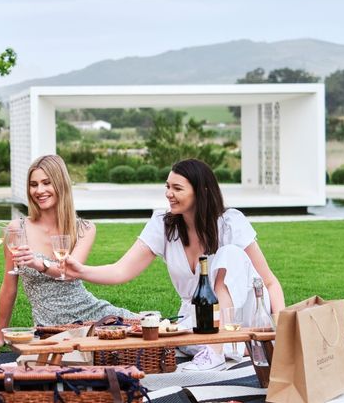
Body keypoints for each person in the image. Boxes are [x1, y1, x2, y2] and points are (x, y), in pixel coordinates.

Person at [65, 158, 285, 371]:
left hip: (244, 310)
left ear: (202, 191)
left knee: (229, 254)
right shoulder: (163, 224)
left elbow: (270, 282)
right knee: (176, 337)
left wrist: (284, 334)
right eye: (167, 186)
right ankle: (239, 346)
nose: (169, 194)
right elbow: (121, 270)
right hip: (196, 317)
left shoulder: (230, 222)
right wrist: (81, 270)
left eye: (177, 188)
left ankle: (220, 350)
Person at [0, 154, 136, 348]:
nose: (39, 190)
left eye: (46, 183)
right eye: (33, 184)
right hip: (50, 327)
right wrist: (0, 335)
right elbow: (9, 287)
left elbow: (69, 273)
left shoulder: (83, 229)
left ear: (61, 184)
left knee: (149, 329)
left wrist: (37, 263)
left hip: (92, 313)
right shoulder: (17, 229)